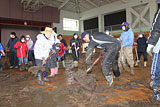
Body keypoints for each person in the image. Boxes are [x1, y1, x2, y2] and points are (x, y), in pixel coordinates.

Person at [147, 1, 160, 101]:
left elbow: (156, 27)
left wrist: (151, 43)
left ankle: (157, 94)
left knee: (155, 72)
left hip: (158, 46)